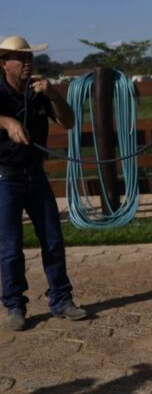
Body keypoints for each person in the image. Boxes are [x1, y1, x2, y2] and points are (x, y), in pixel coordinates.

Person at [0, 36, 87, 330]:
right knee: (10, 246)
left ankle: (61, 300)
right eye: (19, 58)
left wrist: (55, 96)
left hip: (35, 175)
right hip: (5, 178)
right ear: (4, 64)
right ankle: (14, 305)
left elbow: (70, 122)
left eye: (29, 58)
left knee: (52, 239)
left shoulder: (40, 91)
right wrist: (7, 122)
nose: (26, 63)